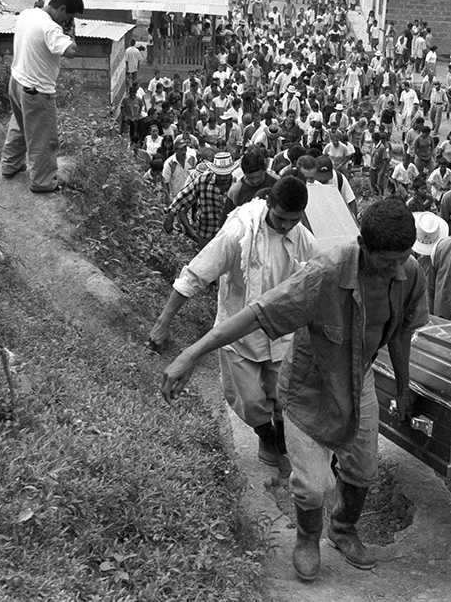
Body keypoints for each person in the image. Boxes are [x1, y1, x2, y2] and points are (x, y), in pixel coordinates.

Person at [160, 198, 428, 582]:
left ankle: (343, 528)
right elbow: (258, 312)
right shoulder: (325, 273)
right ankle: (307, 536)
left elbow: (402, 333)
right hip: (310, 384)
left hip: (360, 379)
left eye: (402, 258)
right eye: (386, 261)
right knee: (311, 486)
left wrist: (404, 387)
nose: (395, 269)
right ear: (363, 246)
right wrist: (193, 352)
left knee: (364, 469)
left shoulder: (411, 274)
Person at [149, 176, 318, 469]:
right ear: (269, 205)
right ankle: (264, 433)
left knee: (283, 394)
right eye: (280, 219)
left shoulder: (303, 239)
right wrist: (163, 322)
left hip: (282, 335)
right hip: (238, 333)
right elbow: (195, 275)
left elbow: (320, 280)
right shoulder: (239, 232)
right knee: (249, 401)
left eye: (293, 221)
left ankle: (279, 440)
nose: (285, 227)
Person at [0, 0, 84, 193]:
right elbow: (71, 51)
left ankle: (11, 165)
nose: (68, 20)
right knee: (44, 138)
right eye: (70, 16)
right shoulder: (50, 28)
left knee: (20, 127)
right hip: (37, 92)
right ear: (62, 9)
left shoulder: (28, 14)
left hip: (17, 82)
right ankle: (43, 182)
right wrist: (71, 35)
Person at [165, 152, 240, 246]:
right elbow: (184, 197)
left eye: (226, 174)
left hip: (228, 235)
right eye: (219, 174)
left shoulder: (237, 186)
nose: (223, 177)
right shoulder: (203, 180)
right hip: (206, 232)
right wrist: (170, 215)